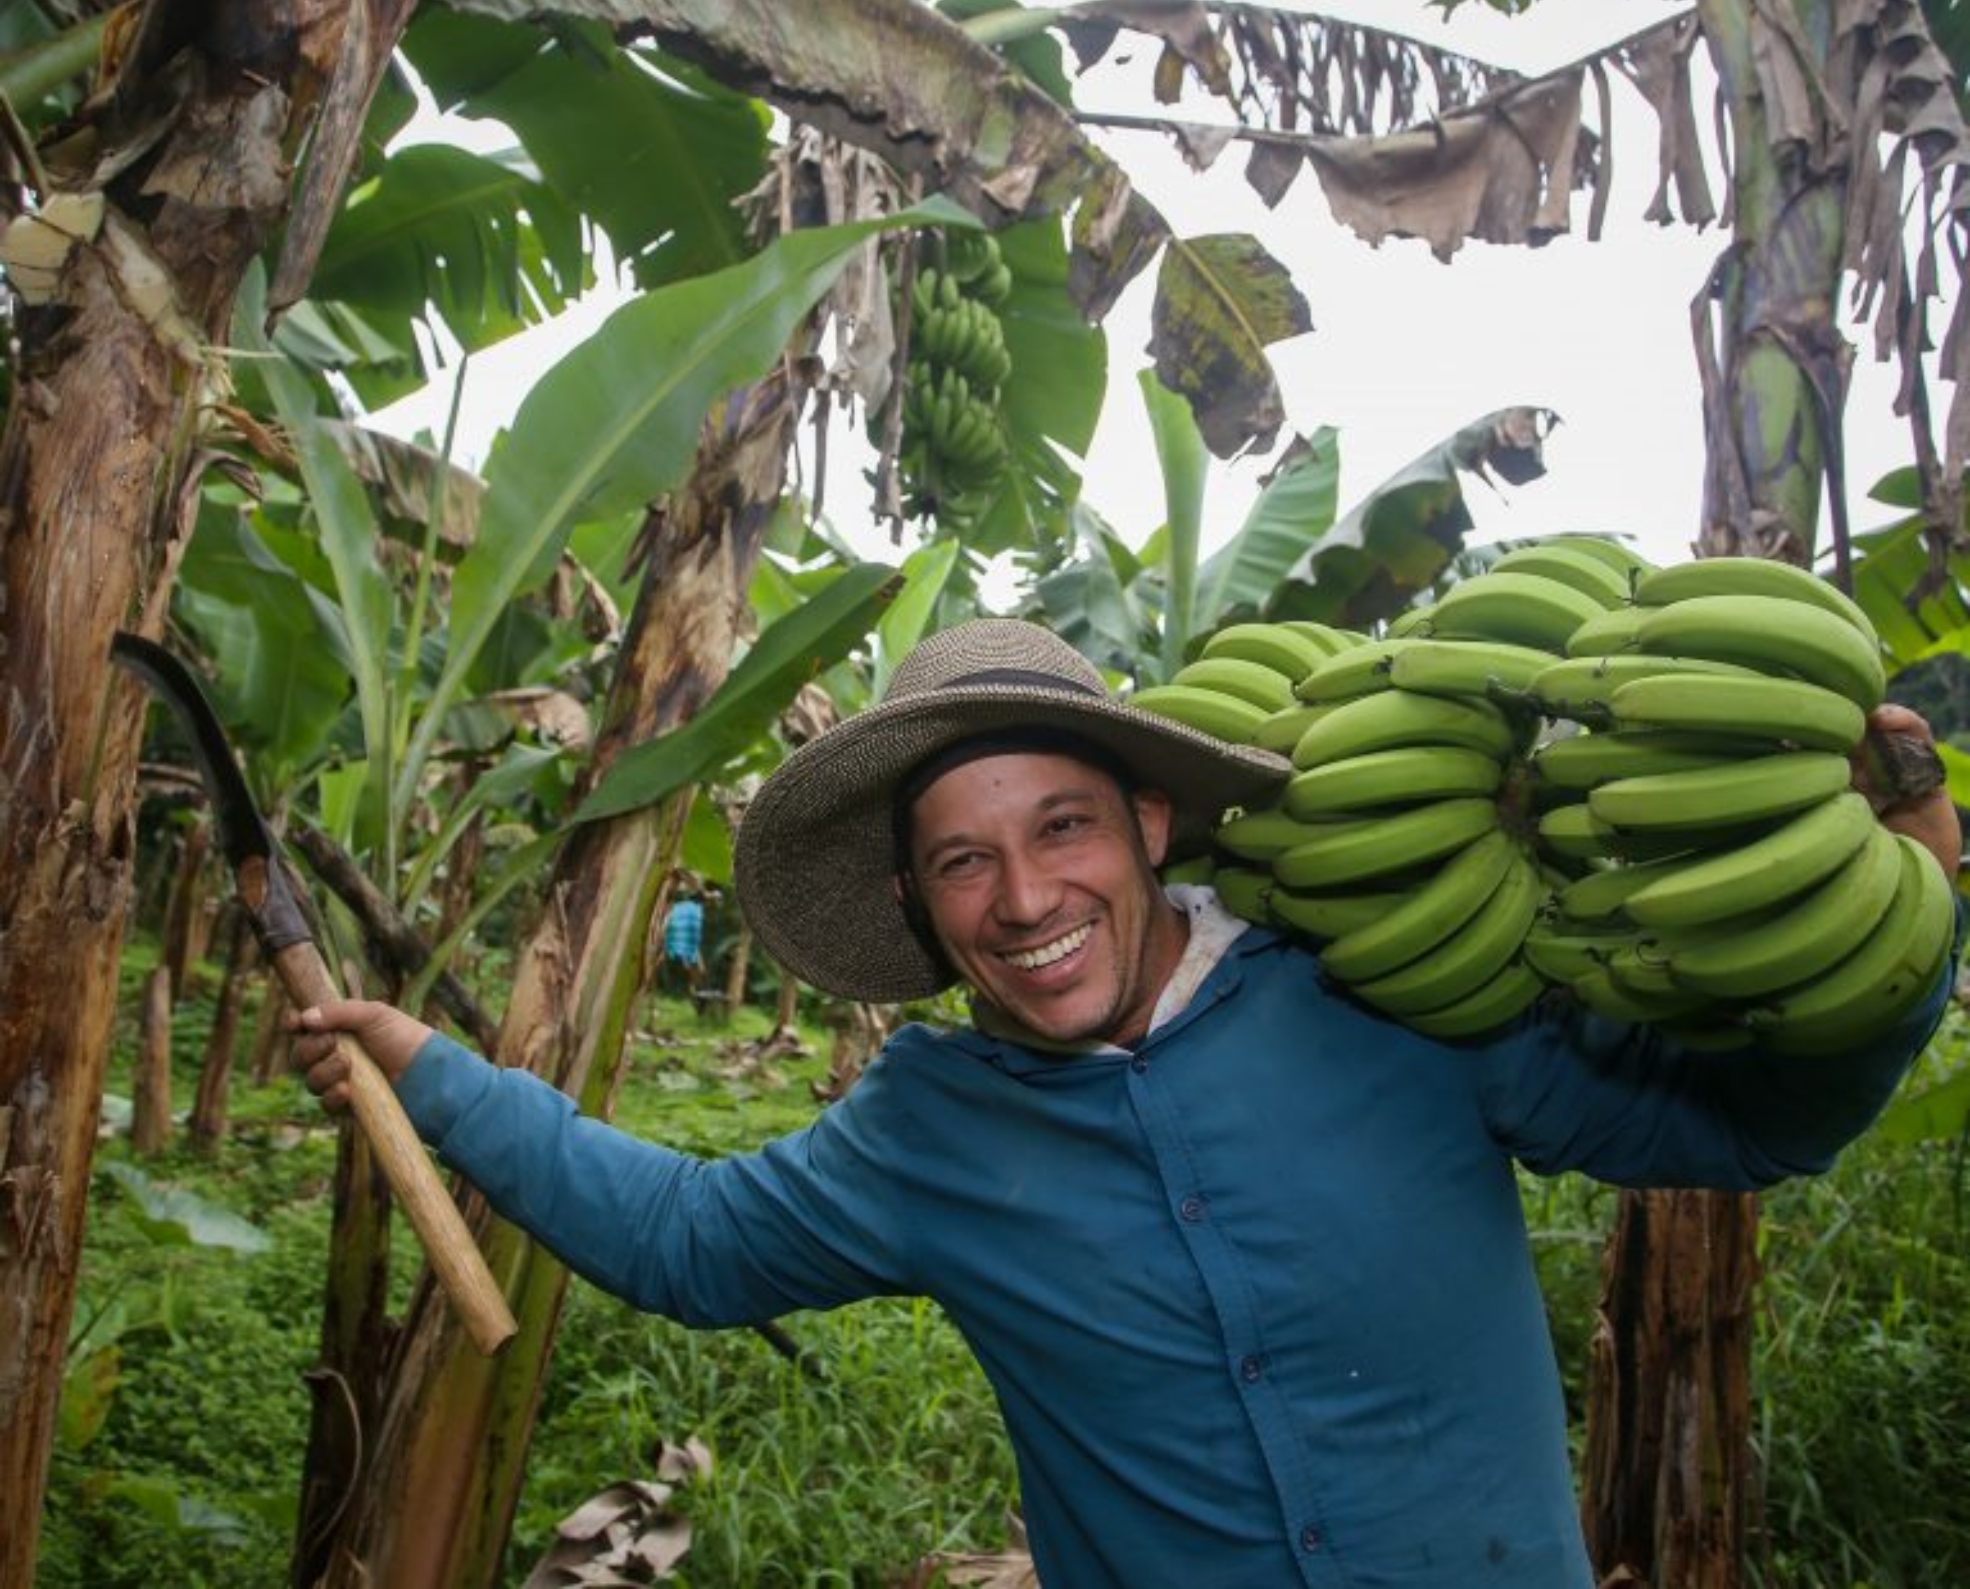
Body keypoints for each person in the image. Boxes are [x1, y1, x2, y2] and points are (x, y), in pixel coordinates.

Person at [292, 618, 1962, 1588]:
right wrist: (433, 1070)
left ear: (1152, 821)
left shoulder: (1389, 990)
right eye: (963, 858)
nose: (1023, 898)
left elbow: (1750, 1128)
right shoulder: (926, 1127)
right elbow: (688, 1239)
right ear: (921, 908)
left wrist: (1898, 921)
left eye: (1062, 829)